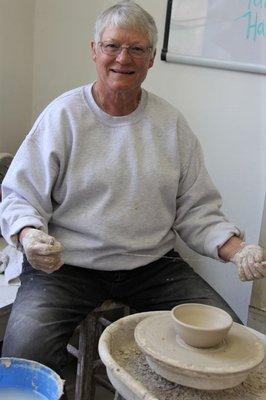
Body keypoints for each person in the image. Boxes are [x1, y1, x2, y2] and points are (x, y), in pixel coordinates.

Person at [0, 0, 265, 393]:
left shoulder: (170, 125)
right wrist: (28, 235)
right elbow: (20, 195)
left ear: (151, 59)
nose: (123, 58)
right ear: (94, 50)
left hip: (152, 266)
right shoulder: (63, 116)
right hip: (66, 266)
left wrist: (238, 249)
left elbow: (197, 211)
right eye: (112, 46)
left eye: (137, 49)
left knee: (231, 344)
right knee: (23, 353)